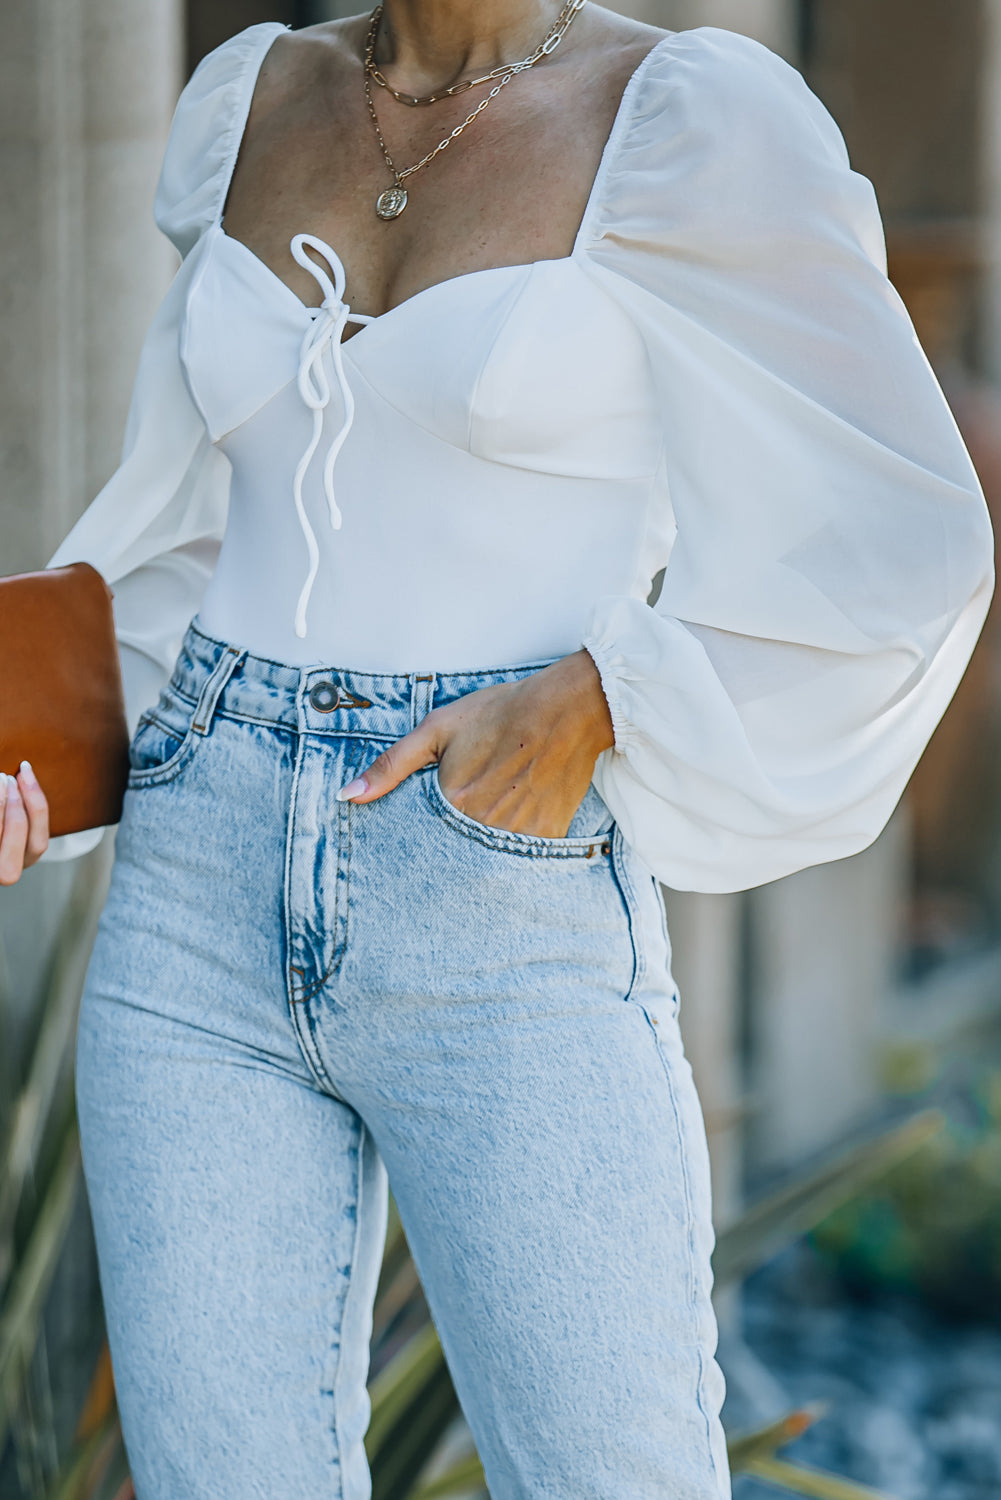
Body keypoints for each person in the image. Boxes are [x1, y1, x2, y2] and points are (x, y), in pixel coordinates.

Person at [1, 3, 994, 1496]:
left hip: (498, 887)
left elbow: (902, 537)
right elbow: (209, 528)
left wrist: (603, 693)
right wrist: (50, 741)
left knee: (611, 1473)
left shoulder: (685, 121)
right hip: (193, 887)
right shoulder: (251, 94)